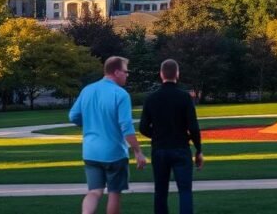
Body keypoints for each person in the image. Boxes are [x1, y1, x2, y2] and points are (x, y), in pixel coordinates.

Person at [70, 56, 147, 214]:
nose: (127, 75)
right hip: (114, 153)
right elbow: (126, 126)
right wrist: (138, 152)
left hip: (91, 151)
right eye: (126, 71)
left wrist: (90, 123)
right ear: (117, 72)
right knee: (114, 194)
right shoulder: (121, 94)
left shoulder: (88, 90)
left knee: (94, 191)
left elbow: (73, 116)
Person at [138, 59, 203, 214]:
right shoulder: (185, 98)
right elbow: (193, 127)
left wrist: (158, 135)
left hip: (160, 149)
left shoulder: (151, 98)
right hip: (181, 148)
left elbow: (143, 127)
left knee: (160, 192)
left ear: (161, 75)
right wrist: (198, 149)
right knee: (185, 191)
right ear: (177, 74)